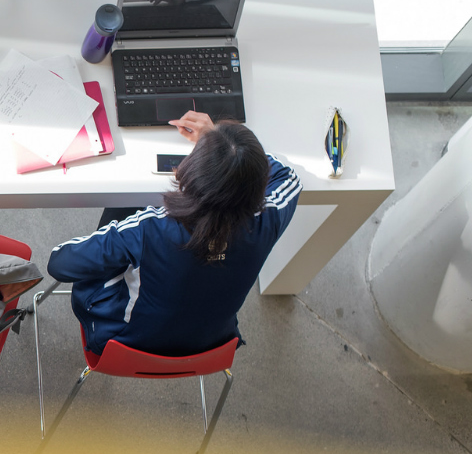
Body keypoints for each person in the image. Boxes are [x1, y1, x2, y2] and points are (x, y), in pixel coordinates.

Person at [46, 111, 300, 357]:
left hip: (122, 342)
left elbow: (59, 263)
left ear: (192, 171)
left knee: (121, 209)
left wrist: (216, 143)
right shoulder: (269, 219)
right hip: (210, 346)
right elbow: (289, 178)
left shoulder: (148, 228)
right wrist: (233, 154)